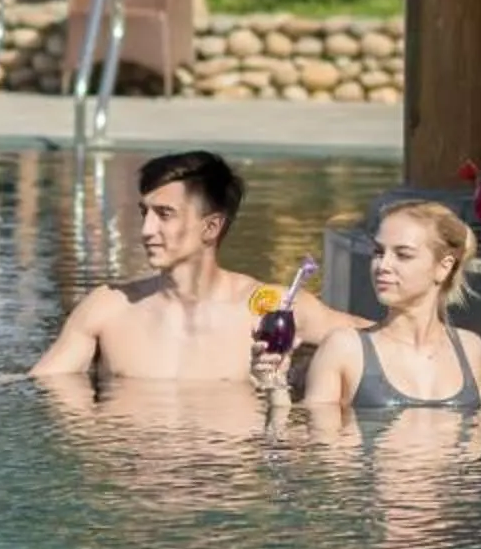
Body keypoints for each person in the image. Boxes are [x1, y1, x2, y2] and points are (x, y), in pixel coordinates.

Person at [30, 150, 352, 381]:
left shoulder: (271, 309)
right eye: (145, 213)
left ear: (210, 228)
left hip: (229, 473)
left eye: (164, 215)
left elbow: (386, 340)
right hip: (134, 470)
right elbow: (43, 390)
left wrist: (309, 375)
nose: (146, 230)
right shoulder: (109, 308)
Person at [299, 198, 481, 414]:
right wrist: (275, 392)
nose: (382, 266)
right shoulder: (345, 348)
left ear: (443, 267)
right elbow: (320, 455)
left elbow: (470, 459)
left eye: (402, 255)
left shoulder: (470, 349)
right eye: (379, 252)